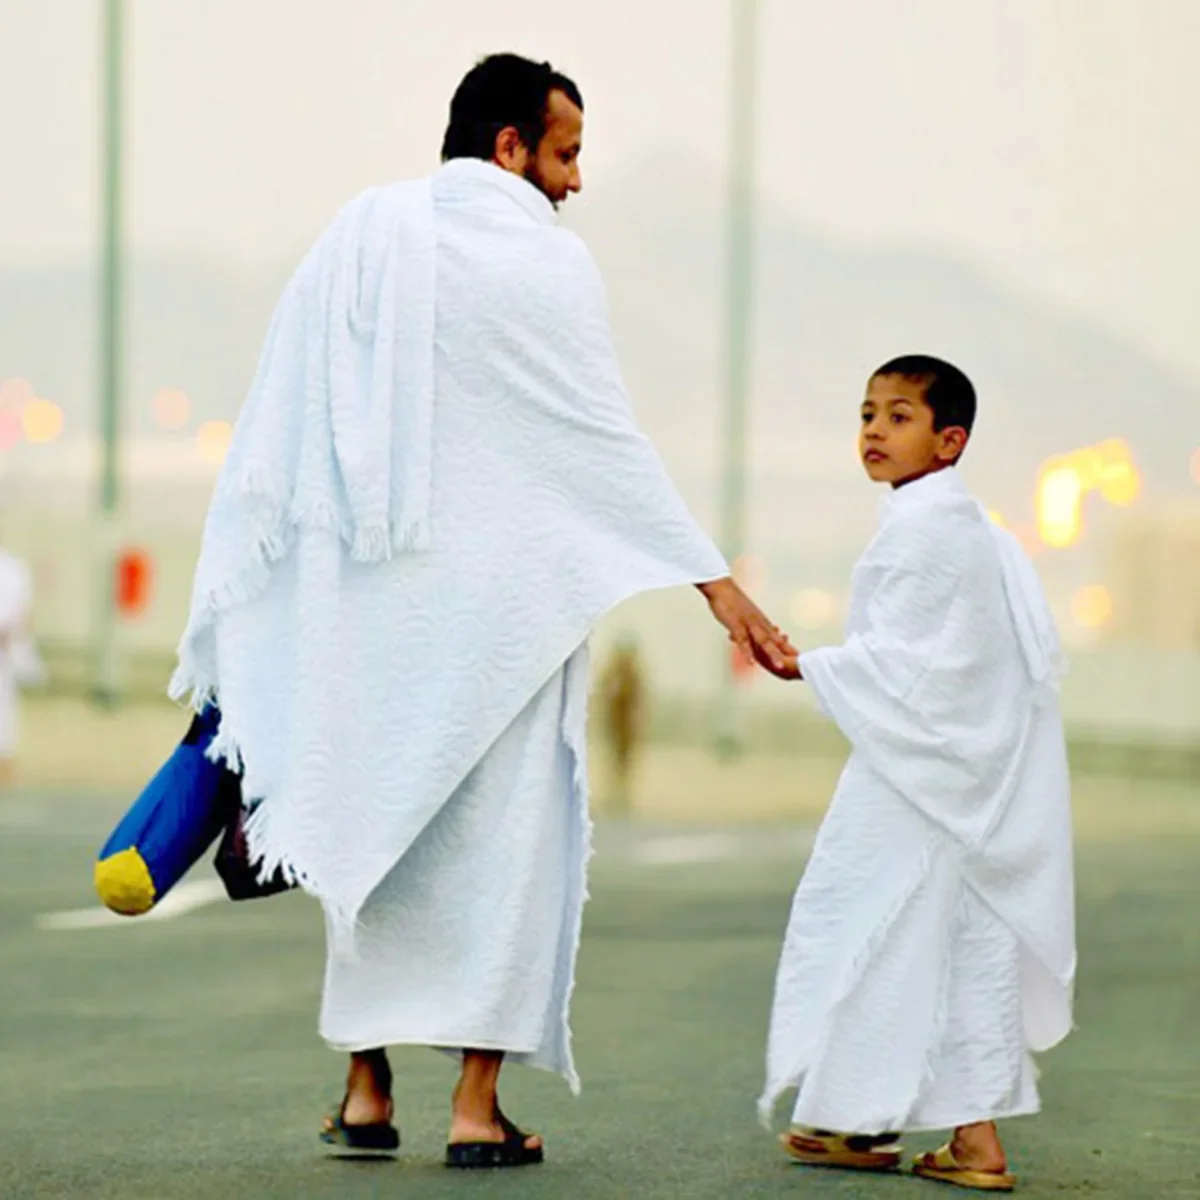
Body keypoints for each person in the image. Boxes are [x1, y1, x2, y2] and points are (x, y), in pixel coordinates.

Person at [171, 52, 793, 1169]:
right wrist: (717, 582)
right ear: (509, 146)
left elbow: (285, 420)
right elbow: (598, 440)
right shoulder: (545, 266)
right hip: (505, 620)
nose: (576, 182)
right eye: (566, 153)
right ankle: (473, 1108)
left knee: (371, 837)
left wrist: (280, 600)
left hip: (370, 615)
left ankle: (365, 1095)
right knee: (504, 858)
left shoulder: (359, 237)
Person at [760, 356, 1075, 1191]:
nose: (872, 430)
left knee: (871, 924)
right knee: (930, 939)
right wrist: (834, 669)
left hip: (921, 775)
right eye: (866, 413)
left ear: (949, 441)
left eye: (898, 416)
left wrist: (811, 669)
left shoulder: (927, 530)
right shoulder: (965, 527)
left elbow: (914, 670)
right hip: (958, 775)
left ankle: (943, 1135)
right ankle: (876, 1125)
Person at [0, 546, 39, 788]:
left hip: (7, 647)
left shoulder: (13, 569)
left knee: (5, 708)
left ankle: (5, 763)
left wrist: (12, 635)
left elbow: (24, 613)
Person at [597, 634, 646, 813]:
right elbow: (604, 694)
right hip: (615, 723)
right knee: (613, 759)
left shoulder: (632, 674)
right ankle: (614, 793)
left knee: (625, 760)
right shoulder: (613, 673)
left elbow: (639, 699)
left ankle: (623, 794)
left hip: (627, 725)